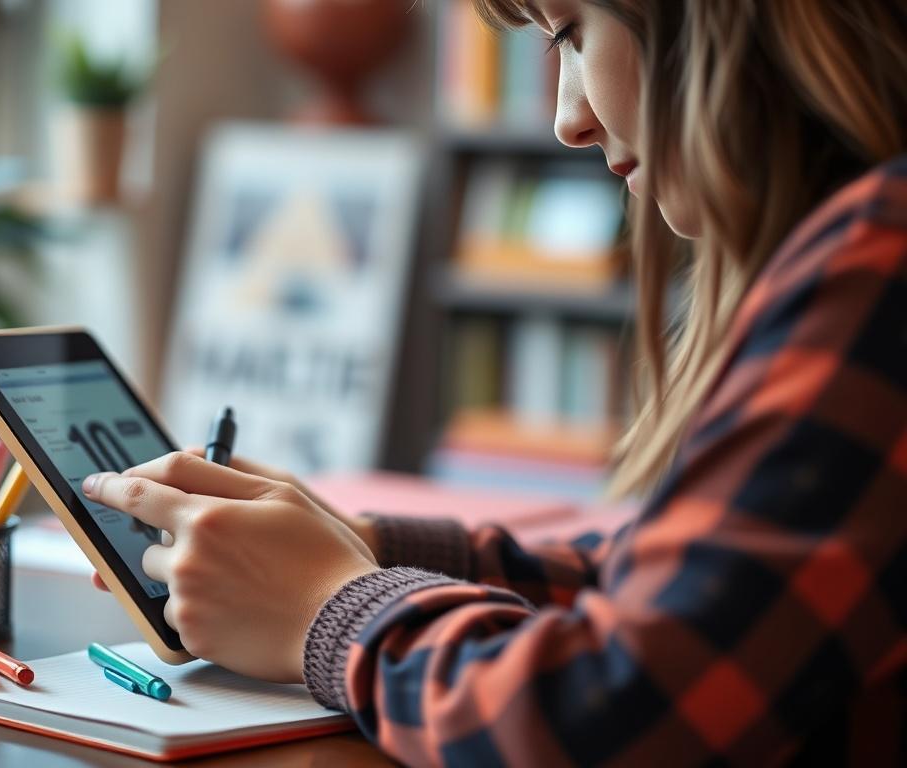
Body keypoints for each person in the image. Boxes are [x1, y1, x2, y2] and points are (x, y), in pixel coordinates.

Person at [82, 0, 907, 764]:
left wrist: (330, 609)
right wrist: (361, 548)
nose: (569, 119)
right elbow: (695, 592)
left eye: (571, 34)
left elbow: (614, 715)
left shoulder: (879, 265)